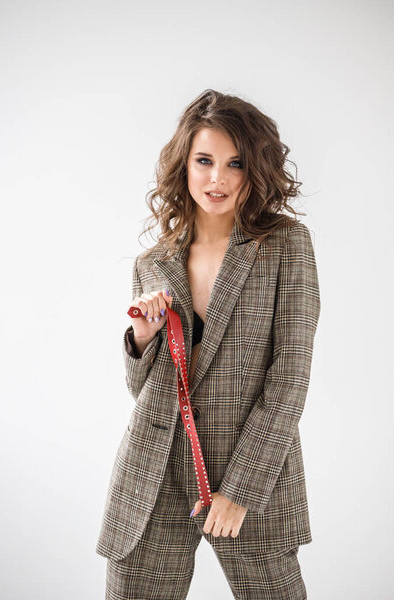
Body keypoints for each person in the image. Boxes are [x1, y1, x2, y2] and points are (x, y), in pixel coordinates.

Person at [96, 89, 321, 599]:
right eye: (204, 161)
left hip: (250, 473)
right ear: (186, 164)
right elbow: (144, 390)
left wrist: (239, 492)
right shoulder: (153, 261)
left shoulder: (285, 246)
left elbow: (289, 380)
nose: (216, 179)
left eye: (234, 164)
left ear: (255, 169)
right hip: (154, 470)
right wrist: (141, 338)